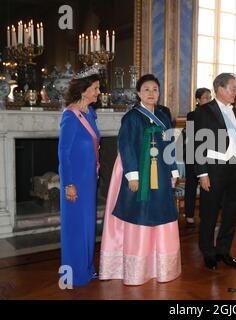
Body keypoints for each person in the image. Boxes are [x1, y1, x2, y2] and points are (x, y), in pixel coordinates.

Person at [99, 74, 181, 285]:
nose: (151, 93)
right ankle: (138, 269)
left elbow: (169, 144)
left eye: (155, 89)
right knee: (141, 214)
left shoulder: (163, 115)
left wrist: (173, 170)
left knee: (161, 213)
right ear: (138, 93)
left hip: (160, 172)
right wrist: (132, 176)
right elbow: (126, 147)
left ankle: (159, 266)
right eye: (146, 90)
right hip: (139, 171)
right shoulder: (132, 117)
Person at [194, 73, 236, 270]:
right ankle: (208, 252)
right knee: (209, 213)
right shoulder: (204, 111)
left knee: (230, 213)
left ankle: (224, 250)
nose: (235, 91)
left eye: (235, 88)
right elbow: (197, 144)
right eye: (232, 88)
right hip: (213, 170)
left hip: (234, 170)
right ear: (219, 88)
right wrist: (202, 174)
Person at [58, 66, 101, 286]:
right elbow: (63, 154)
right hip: (75, 182)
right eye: (95, 88)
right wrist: (68, 185)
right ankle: (72, 274)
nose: (98, 92)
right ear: (83, 90)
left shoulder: (90, 113)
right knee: (74, 227)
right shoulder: (71, 116)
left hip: (89, 180)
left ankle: (86, 268)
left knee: (87, 226)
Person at [183, 88, 212, 224]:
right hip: (192, 154)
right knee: (191, 185)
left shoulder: (214, 114)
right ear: (198, 100)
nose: (209, 99)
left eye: (210, 97)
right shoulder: (192, 115)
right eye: (206, 97)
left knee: (207, 186)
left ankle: (205, 214)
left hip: (209, 155)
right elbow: (191, 137)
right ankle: (189, 214)